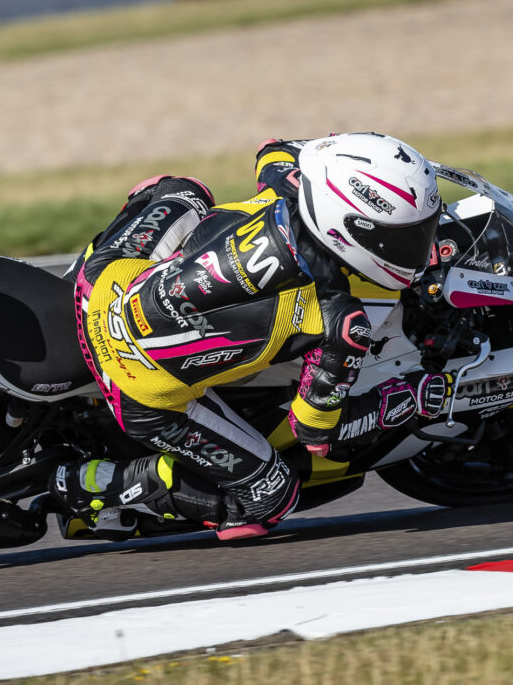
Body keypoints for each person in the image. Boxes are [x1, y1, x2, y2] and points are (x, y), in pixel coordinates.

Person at [53, 133, 452, 541]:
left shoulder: (287, 180)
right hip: (137, 387)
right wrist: (407, 401)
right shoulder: (340, 321)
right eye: (404, 238)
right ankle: (93, 483)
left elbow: (272, 149)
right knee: (269, 498)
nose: (418, 248)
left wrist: (336, 156)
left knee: (182, 191)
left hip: (102, 281)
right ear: (346, 228)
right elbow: (314, 432)